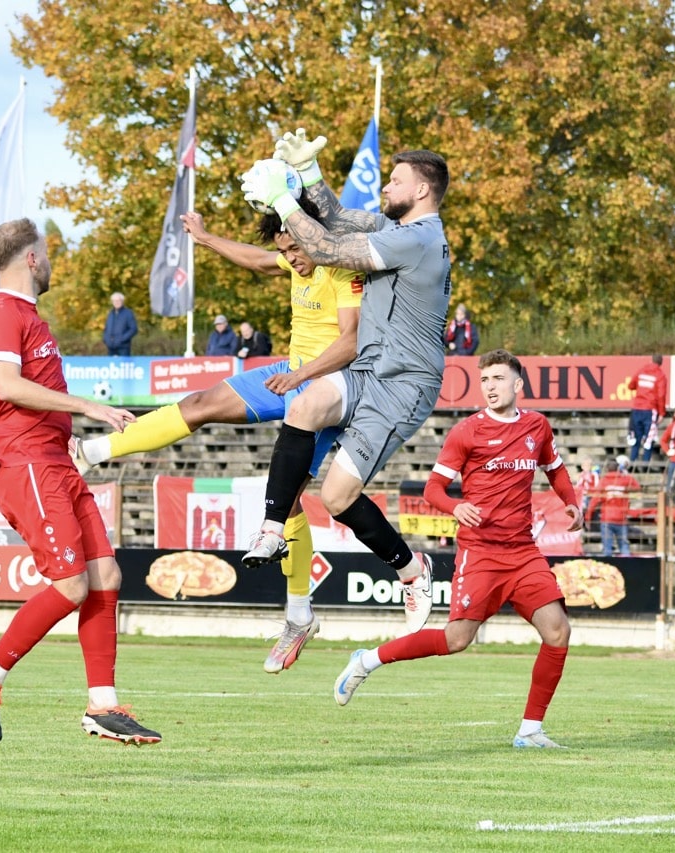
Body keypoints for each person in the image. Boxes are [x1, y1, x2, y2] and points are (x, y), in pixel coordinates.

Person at [74, 196, 364, 673]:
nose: (290, 259)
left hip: (325, 389)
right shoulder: (295, 261)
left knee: (288, 503)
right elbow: (258, 261)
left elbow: (351, 341)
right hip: (291, 373)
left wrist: (301, 376)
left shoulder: (342, 269)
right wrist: (206, 239)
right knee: (198, 404)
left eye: (294, 249)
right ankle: (92, 451)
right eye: (284, 250)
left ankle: (298, 616)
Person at [238, 137, 451, 634]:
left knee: (336, 498)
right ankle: (272, 529)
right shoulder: (394, 226)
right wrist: (308, 174)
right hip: (367, 370)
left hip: (402, 386)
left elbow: (326, 248)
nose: (385, 185)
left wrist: (283, 199)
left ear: (421, 189)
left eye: (396, 179)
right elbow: (335, 220)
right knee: (306, 404)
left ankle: (412, 570)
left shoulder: (417, 240)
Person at [0, 217, 161, 745]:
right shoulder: (2, 311)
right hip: (25, 461)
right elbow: (8, 385)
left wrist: (66, 430)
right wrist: (88, 408)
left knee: (105, 576)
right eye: (46, 253)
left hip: (53, 457)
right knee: (70, 584)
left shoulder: (27, 316)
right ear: (31, 259)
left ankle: (103, 705)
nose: (50, 261)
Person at [331, 349, 581, 748]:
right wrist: (456, 505)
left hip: (523, 552)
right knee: (456, 639)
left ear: (518, 384)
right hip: (481, 553)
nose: (490, 387)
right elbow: (433, 488)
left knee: (557, 631)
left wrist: (570, 500)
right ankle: (366, 660)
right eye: (484, 380)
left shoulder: (538, 427)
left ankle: (530, 731)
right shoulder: (467, 432)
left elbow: (555, 469)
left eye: (498, 379)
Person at [586, 455, 640, 557]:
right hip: (621, 518)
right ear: (618, 468)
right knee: (624, 547)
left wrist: (588, 516)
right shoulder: (625, 479)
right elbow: (637, 487)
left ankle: (609, 571)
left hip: (607, 519)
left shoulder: (604, 481)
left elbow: (594, 500)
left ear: (607, 469)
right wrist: (625, 489)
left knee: (607, 549)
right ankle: (628, 570)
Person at [626, 354, 667, 466]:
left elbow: (630, 385)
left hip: (636, 408)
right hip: (650, 409)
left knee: (636, 437)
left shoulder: (642, 370)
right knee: (649, 438)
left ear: (651, 360)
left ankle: (632, 462)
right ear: (661, 363)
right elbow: (661, 395)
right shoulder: (660, 375)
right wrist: (662, 413)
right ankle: (645, 464)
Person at [102, 292, 138, 356]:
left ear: (122, 301)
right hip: (111, 348)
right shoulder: (110, 314)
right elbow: (106, 329)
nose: (116, 302)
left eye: (118, 300)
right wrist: (106, 340)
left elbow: (133, 329)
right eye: (114, 301)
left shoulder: (128, 313)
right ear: (112, 302)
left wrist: (122, 339)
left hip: (123, 348)